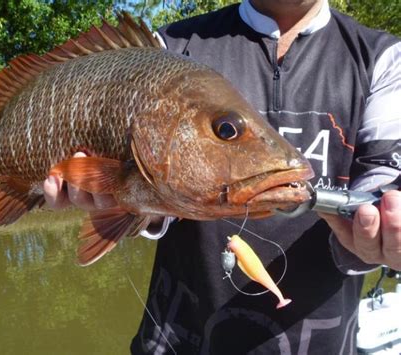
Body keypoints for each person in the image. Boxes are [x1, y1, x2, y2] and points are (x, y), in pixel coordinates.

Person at [44, 0, 401, 353]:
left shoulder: (383, 59)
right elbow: (152, 186)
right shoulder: (169, 48)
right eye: (226, 131)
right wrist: (127, 201)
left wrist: (376, 241)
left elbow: (385, 185)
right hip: (176, 343)